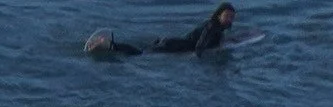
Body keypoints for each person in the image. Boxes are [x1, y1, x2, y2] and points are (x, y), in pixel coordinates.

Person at [86, 4, 235, 57]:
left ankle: (108, 44)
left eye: (232, 17)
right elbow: (201, 43)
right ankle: (109, 45)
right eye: (227, 16)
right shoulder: (213, 26)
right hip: (174, 46)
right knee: (141, 54)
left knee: (143, 50)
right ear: (218, 15)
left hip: (171, 42)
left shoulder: (214, 26)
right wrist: (198, 56)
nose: (229, 19)